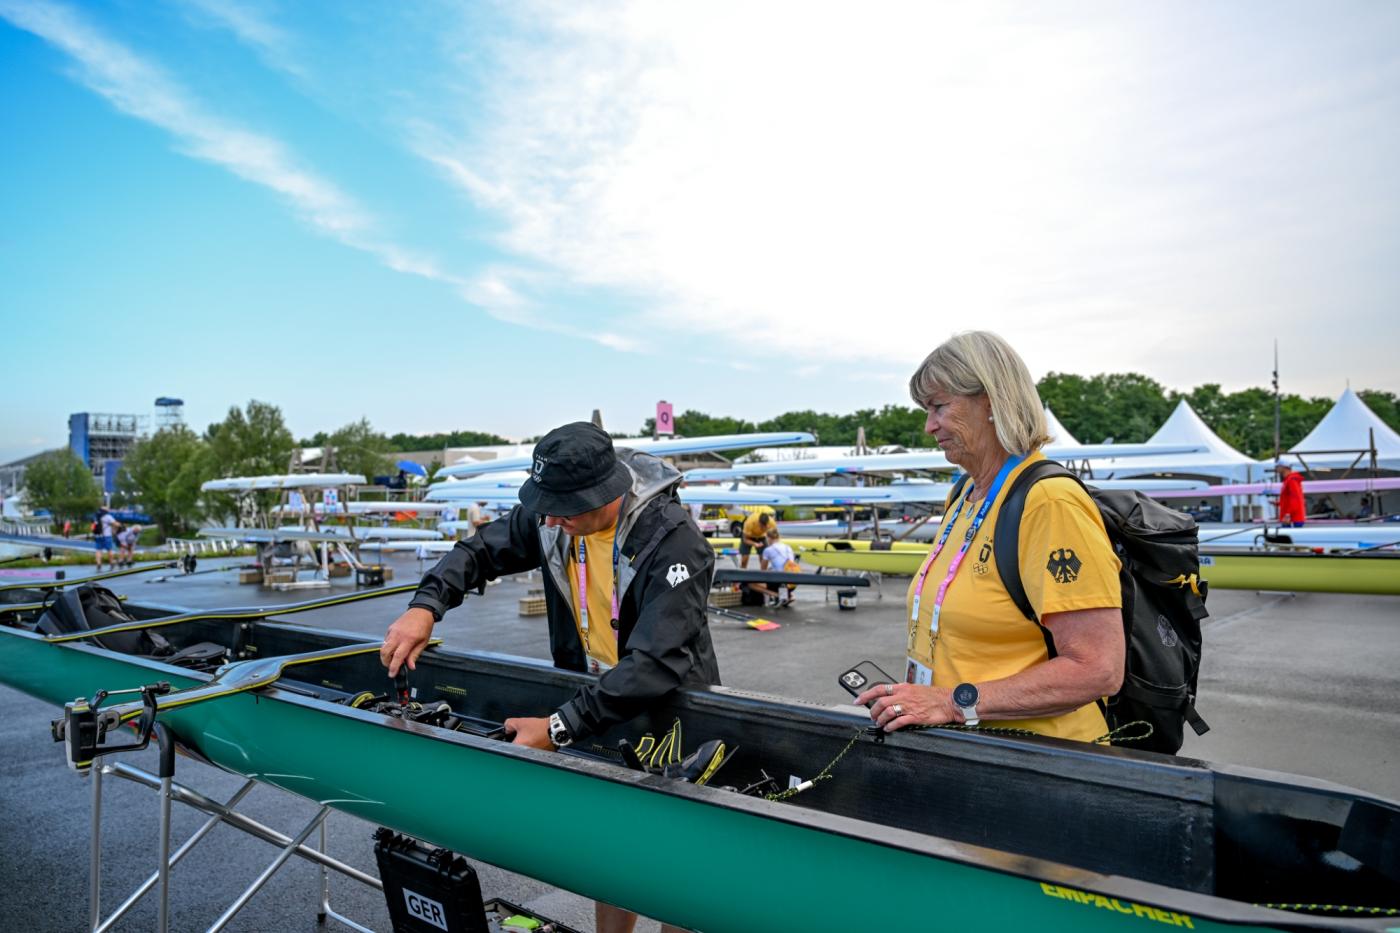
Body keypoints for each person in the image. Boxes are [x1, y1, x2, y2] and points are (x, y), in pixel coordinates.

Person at [381, 422, 718, 933]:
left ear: (606, 491)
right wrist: (425, 606)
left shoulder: (674, 541)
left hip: (670, 706)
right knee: (611, 847)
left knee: (679, 863)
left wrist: (558, 727)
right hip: (595, 695)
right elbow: (478, 551)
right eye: (546, 506)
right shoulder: (552, 517)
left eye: (565, 509)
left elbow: (656, 663)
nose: (551, 519)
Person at [855, 331, 1125, 742]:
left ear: (991, 402)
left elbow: (1097, 669)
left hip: (1042, 759)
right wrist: (927, 699)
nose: (929, 426)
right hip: (972, 746)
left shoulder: (1049, 501)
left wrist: (951, 703)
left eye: (939, 406)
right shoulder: (964, 494)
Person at [759, 527, 800, 607]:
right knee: (780, 574)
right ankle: (788, 595)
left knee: (752, 584)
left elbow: (762, 570)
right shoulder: (788, 547)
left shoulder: (768, 550)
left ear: (768, 538)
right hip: (793, 583)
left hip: (779, 583)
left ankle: (778, 595)